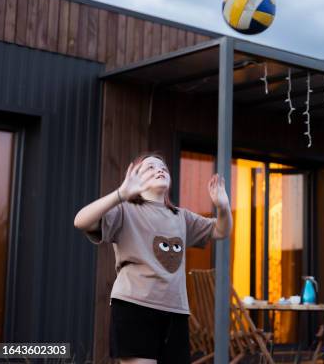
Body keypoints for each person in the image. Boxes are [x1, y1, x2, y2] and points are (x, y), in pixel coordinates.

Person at [74, 152, 232, 364]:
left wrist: (222, 207)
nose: (160, 169)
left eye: (163, 168)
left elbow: (221, 231)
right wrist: (120, 194)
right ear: (135, 177)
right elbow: (81, 221)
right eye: (150, 167)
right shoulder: (124, 210)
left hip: (176, 312)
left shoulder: (181, 217)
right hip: (135, 308)